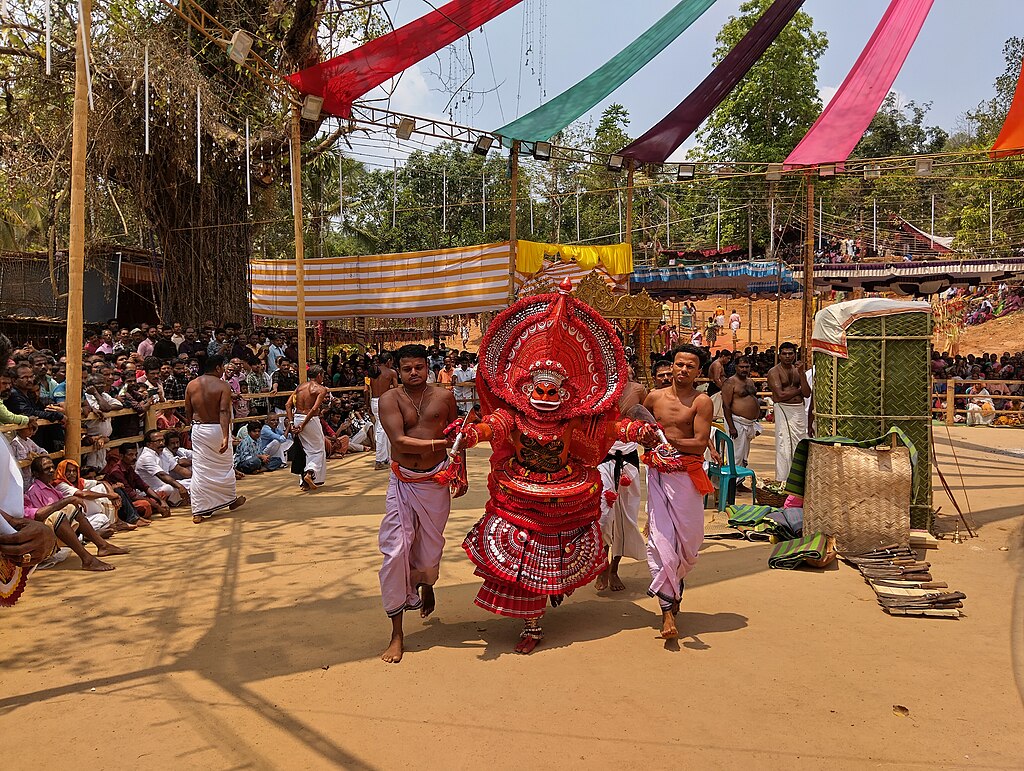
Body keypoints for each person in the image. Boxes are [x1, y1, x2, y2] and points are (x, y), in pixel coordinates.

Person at [456, 282, 658, 653]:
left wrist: (638, 430)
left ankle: (550, 595)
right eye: (539, 391)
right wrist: (473, 434)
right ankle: (532, 626)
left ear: (565, 393)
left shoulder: (571, 418)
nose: (544, 398)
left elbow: (608, 428)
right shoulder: (514, 414)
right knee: (518, 549)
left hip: (564, 489)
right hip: (519, 489)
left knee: (555, 551)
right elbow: (495, 425)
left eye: (552, 392)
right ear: (526, 387)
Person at [376, 344, 458, 664]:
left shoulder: (444, 397)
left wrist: (458, 469)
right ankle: (397, 634)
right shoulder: (390, 399)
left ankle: (426, 584)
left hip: (437, 480)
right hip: (403, 481)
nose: (414, 373)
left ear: (428, 367)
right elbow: (398, 441)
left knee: (429, 549)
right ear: (398, 370)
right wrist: (443, 443)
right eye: (408, 368)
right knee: (396, 551)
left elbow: (455, 435)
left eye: (420, 367)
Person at [642, 345, 715, 640]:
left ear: (699, 372)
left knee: (689, 542)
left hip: (688, 477)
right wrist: (646, 438)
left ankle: (675, 588)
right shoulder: (653, 397)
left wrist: (667, 440)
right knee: (661, 541)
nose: (683, 370)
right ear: (671, 366)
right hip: (658, 475)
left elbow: (699, 443)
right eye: (679, 364)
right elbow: (635, 426)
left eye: (690, 366)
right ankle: (667, 612)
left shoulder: (702, 402)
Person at [24, 456, 129, 571]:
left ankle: (102, 545)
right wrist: (69, 500)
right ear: (36, 473)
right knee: (60, 513)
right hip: (46, 535)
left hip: (60, 528)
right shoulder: (34, 491)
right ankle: (87, 559)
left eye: (52, 467)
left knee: (70, 508)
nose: (51, 471)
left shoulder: (50, 487)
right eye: (46, 469)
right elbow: (39, 517)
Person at [596, 375, 648, 592]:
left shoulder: (638, 389)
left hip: (629, 456)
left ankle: (614, 569)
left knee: (625, 516)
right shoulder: (596, 388)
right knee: (603, 514)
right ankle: (601, 567)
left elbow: (647, 420)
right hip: (602, 456)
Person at [184, 355, 245, 524]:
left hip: (198, 428)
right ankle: (229, 500)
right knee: (225, 467)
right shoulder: (222, 385)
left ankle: (199, 510)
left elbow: (188, 409)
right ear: (218, 368)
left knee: (201, 469)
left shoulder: (192, 384)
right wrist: (226, 436)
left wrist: (191, 428)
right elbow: (224, 411)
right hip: (217, 428)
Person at [767, 342, 811, 484]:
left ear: (795, 354)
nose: (787, 356)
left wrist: (802, 375)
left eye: (790, 353)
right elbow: (780, 395)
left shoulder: (798, 370)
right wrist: (797, 390)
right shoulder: (774, 372)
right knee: (784, 445)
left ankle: (798, 480)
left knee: (799, 444)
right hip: (784, 409)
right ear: (779, 355)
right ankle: (783, 480)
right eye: (784, 353)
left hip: (798, 411)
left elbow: (807, 393)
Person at [288, 365, 329, 490]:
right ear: (319, 375)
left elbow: (288, 404)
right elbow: (314, 408)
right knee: (318, 449)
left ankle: (304, 483)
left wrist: (292, 424)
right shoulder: (321, 389)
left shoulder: (300, 387)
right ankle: (310, 473)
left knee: (304, 449)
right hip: (309, 419)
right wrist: (303, 424)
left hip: (297, 417)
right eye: (322, 375)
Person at [721, 355, 762, 474]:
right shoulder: (730, 382)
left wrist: (755, 423)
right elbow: (726, 406)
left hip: (749, 423)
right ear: (736, 367)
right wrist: (731, 427)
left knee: (744, 454)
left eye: (747, 367)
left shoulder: (750, 381)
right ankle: (733, 482)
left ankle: (740, 481)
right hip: (736, 422)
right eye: (741, 367)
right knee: (736, 454)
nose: (744, 369)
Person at [135, 429, 190, 506]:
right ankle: (176, 502)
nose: (162, 443)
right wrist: (180, 486)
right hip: (153, 490)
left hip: (165, 485)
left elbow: (179, 469)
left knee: (192, 482)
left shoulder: (163, 453)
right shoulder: (146, 457)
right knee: (170, 488)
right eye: (158, 441)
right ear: (149, 444)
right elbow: (162, 475)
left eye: (162, 440)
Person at [369, 353, 399, 470]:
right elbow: (396, 389)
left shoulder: (372, 372)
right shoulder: (391, 372)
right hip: (384, 401)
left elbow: (367, 389)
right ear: (388, 361)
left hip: (374, 401)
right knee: (382, 429)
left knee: (382, 427)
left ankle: (385, 457)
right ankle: (379, 460)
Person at [707, 350, 732, 421]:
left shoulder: (720, 364)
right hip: (715, 387)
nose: (728, 360)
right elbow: (716, 379)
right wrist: (723, 388)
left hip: (719, 387)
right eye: (728, 358)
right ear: (723, 356)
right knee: (714, 409)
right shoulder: (717, 364)